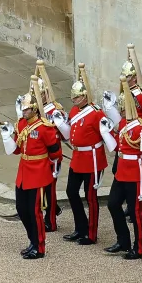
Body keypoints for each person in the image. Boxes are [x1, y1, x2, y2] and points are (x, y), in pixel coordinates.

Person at [0, 87, 63, 259]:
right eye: (23, 109)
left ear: (34, 109)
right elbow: (16, 150)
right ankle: (32, 240)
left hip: (38, 174)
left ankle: (39, 246)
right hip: (24, 172)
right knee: (21, 209)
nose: (24, 111)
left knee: (35, 212)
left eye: (26, 109)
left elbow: (55, 153)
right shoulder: (21, 124)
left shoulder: (44, 128)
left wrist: (46, 167)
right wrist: (6, 137)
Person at [101, 76, 142, 259]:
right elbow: (117, 145)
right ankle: (123, 240)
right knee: (113, 204)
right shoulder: (124, 123)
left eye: (123, 108)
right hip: (123, 171)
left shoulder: (141, 126)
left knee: (136, 212)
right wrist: (107, 133)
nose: (121, 111)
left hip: (136, 173)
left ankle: (139, 247)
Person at [53, 74, 106, 245]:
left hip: (92, 159)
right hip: (78, 157)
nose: (74, 100)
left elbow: (106, 134)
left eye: (77, 96)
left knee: (90, 197)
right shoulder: (75, 110)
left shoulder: (97, 113)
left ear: (85, 96)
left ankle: (91, 233)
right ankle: (80, 227)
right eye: (73, 96)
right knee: (71, 191)